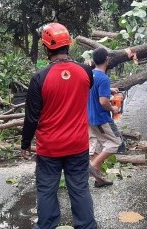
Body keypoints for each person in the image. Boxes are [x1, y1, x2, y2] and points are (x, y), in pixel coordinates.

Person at [21, 22, 97, 229]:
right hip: (78, 144)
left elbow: (31, 117)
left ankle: (46, 226)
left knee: (46, 190)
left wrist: (25, 143)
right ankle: (87, 226)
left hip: (50, 147)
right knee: (80, 188)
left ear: (46, 47)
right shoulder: (85, 72)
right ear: (68, 45)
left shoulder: (39, 78)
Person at [87, 47, 123, 188]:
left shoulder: (90, 75)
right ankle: (93, 166)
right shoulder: (104, 78)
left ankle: (98, 179)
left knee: (99, 146)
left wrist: (109, 90)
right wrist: (113, 108)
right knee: (116, 142)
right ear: (107, 59)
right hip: (101, 119)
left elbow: (93, 90)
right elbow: (103, 102)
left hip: (89, 118)